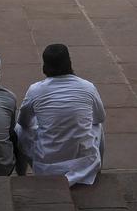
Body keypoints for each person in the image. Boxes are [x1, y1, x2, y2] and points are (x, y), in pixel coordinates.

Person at [16, 44, 105, 187]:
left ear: (45, 66)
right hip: (84, 165)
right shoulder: (87, 87)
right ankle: (98, 169)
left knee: (19, 129)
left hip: (47, 167)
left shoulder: (35, 90)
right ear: (69, 62)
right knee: (97, 126)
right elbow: (99, 118)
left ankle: (21, 176)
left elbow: (23, 122)